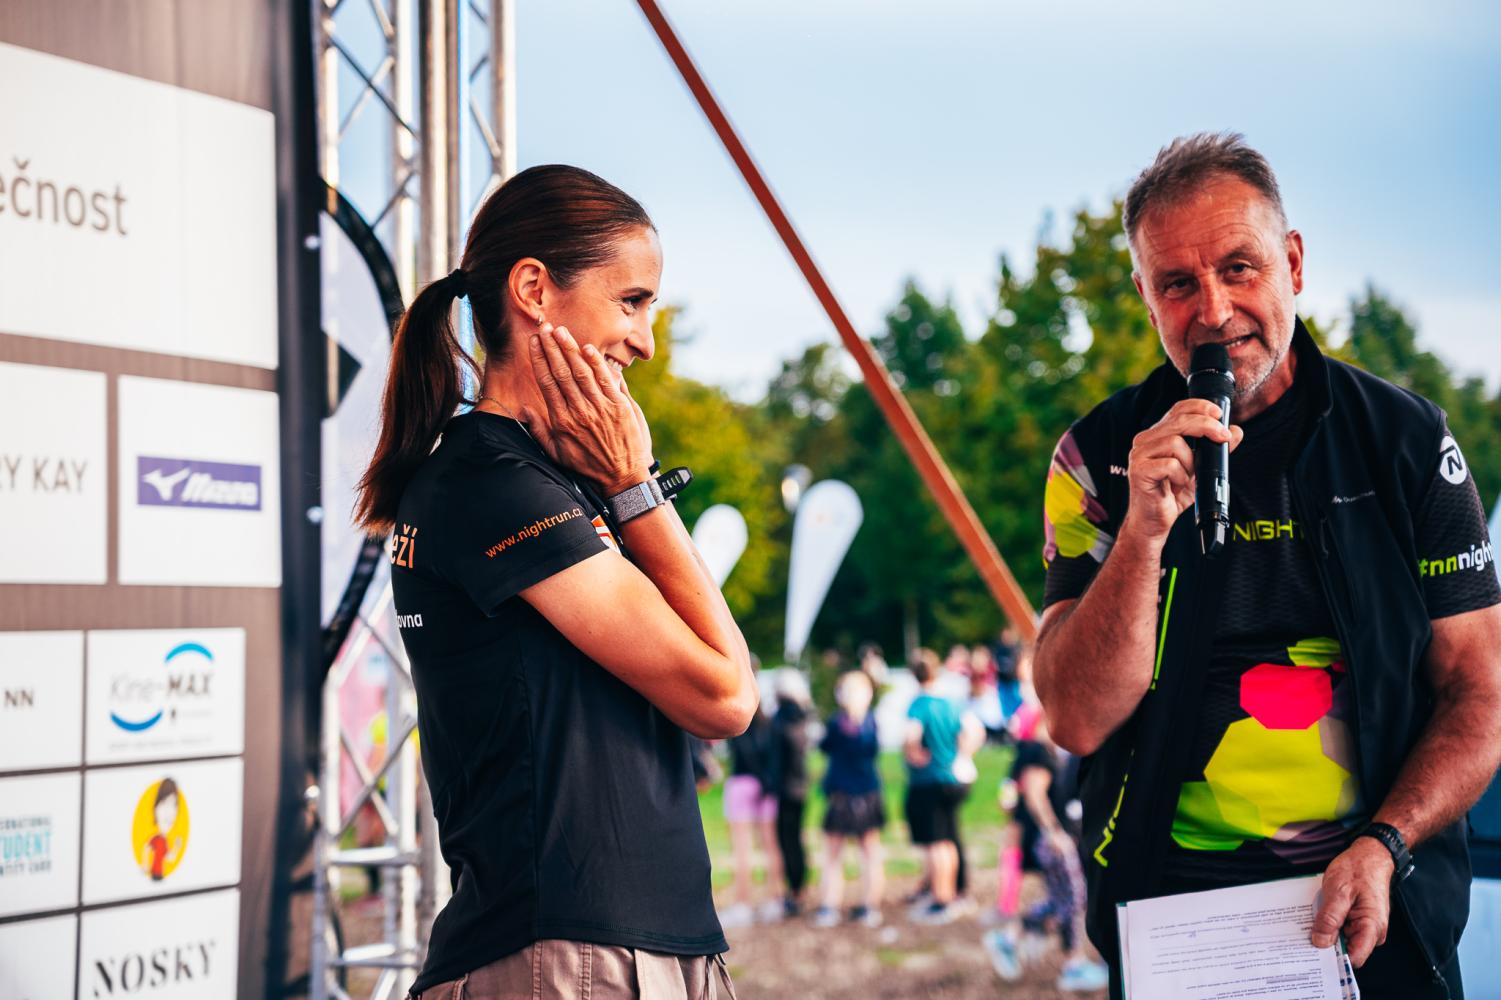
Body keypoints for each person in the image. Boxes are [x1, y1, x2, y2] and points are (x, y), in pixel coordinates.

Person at [1033, 132, 1501, 999]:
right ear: (1144, 297)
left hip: (1374, 904)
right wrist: (1142, 534)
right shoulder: (1096, 456)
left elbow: (1480, 690)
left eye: (1238, 268)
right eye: (1177, 283)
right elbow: (1074, 717)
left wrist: (1386, 843)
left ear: (1292, 264)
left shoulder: (1403, 441)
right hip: (1175, 917)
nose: (1212, 311)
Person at [358, 164, 756, 1000]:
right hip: (569, 955)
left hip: (622, 944)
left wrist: (625, 485)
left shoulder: (550, 477)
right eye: (631, 302)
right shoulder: (491, 481)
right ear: (534, 289)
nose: (645, 342)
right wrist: (636, 486)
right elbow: (723, 697)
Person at [983, 704, 1108, 992]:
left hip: (1052, 837)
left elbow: (1011, 795)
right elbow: (1035, 795)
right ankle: (1072, 964)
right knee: (1073, 898)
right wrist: (1053, 832)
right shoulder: (1039, 752)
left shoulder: (1040, 751)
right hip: (1051, 841)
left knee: (1064, 899)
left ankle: (1010, 939)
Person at [903, 652, 985, 924]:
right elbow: (974, 731)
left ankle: (942, 898)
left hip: (930, 780)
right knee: (949, 838)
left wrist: (913, 754)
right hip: (953, 779)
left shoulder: (919, 705)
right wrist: (963, 754)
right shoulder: (951, 703)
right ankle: (953, 891)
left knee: (937, 843)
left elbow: (911, 736)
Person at [813, 669, 886, 928]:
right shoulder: (856, 722)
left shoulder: (848, 723)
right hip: (852, 793)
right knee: (853, 852)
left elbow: (828, 746)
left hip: (853, 794)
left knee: (855, 853)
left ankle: (853, 905)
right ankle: (847, 904)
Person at [720, 707, 784, 928]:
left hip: (741, 784)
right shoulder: (770, 724)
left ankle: (743, 903)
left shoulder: (735, 720)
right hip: (767, 787)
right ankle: (774, 900)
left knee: (742, 848)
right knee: (770, 845)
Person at [769, 670, 814, 917]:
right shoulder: (803, 716)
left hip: (786, 789)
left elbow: (777, 757)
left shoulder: (781, 719)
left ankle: (795, 891)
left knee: (788, 841)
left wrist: (770, 784)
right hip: (800, 786)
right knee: (796, 839)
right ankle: (799, 889)